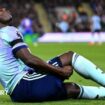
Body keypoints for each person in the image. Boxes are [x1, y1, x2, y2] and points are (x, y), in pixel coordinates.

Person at [0, 7, 105, 102]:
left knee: (71, 89)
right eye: (1, 10)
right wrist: (60, 71)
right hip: (25, 84)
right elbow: (29, 60)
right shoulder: (8, 31)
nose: (5, 9)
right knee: (69, 56)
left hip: (17, 94)